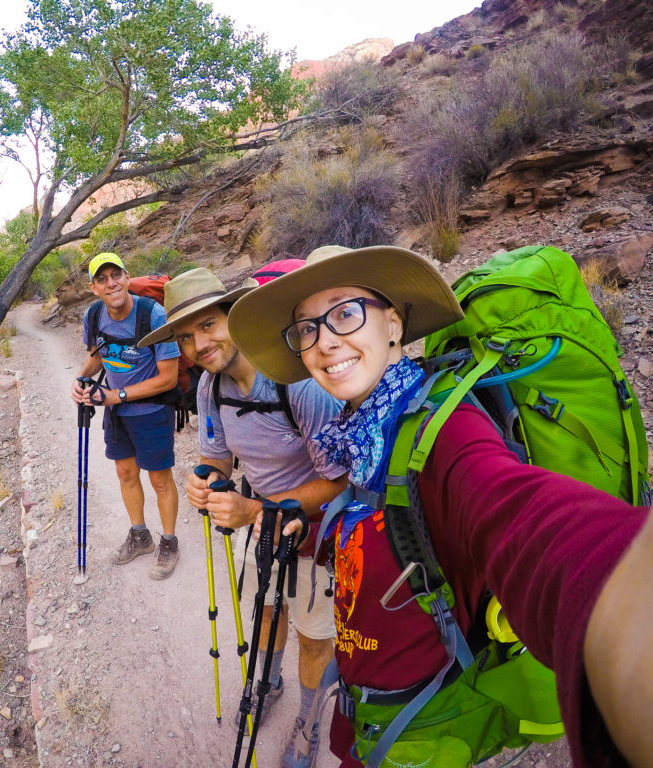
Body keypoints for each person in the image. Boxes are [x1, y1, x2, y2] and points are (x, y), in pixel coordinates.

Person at [227, 244, 653, 767]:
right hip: (367, 697)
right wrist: (309, 529)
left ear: (392, 324)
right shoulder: (362, 436)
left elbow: (520, 516)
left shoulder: (445, 431)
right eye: (307, 329)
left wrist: (621, 612)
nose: (325, 342)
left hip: (421, 721)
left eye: (344, 313)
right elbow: (383, 540)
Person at [138, 267, 347, 767]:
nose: (198, 344)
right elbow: (216, 457)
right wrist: (203, 478)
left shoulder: (298, 384)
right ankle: (269, 682)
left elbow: (339, 481)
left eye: (208, 325)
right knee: (265, 609)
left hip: (318, 530)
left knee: (314, 635)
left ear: (237, 317)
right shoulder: (210, 389)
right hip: (260, 526)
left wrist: (255, 508)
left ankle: (308, 722)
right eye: (186, 337)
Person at [70, 252, 182, 580]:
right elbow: (100, 355)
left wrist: (113, 395)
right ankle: (140, 536)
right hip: (116, 411)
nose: (111, 283)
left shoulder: (153, 314)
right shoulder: (93, 316)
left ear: (127, 277)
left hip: (151, 410)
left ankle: (169, 542)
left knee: (160, 479)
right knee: (125, 474)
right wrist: (81, 380)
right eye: (102, 279)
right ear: (93, 288)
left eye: (115, 275)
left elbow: (169, 377)